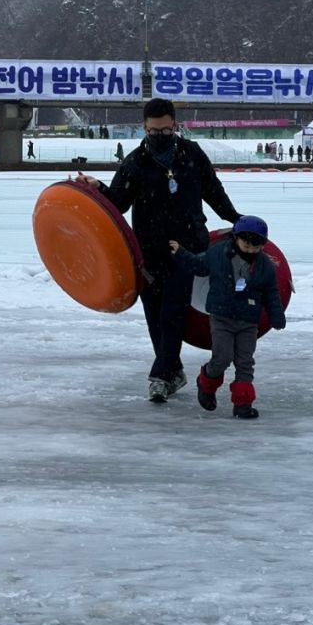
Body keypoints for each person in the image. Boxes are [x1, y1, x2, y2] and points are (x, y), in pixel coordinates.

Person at [75, 98, 242, 402]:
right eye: (154, 131)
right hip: (148, 250)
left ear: (176, 126)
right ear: (144, 128)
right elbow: (118, 204)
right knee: (154, 315)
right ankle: (173, 370)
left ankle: (160, 375)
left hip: (188, 247)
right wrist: (97, 189)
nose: (160, 136)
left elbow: (213, 192)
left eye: (166, 131)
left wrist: (236, 219)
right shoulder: (135, 162)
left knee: (172, 311)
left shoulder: (192, 154)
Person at [169, 216, 285, 419]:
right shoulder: (218, 253)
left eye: (255, 246)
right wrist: (180, 253)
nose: (250, 250)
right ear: (236, 238)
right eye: (246, 244)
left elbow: (271, 293)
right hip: (221, 318)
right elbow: (198, 266)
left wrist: (276, 316)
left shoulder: (265, 265)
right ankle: (206, 383)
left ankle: (243, 404)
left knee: (245, 362)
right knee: (222, 358)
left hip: (248, 322)